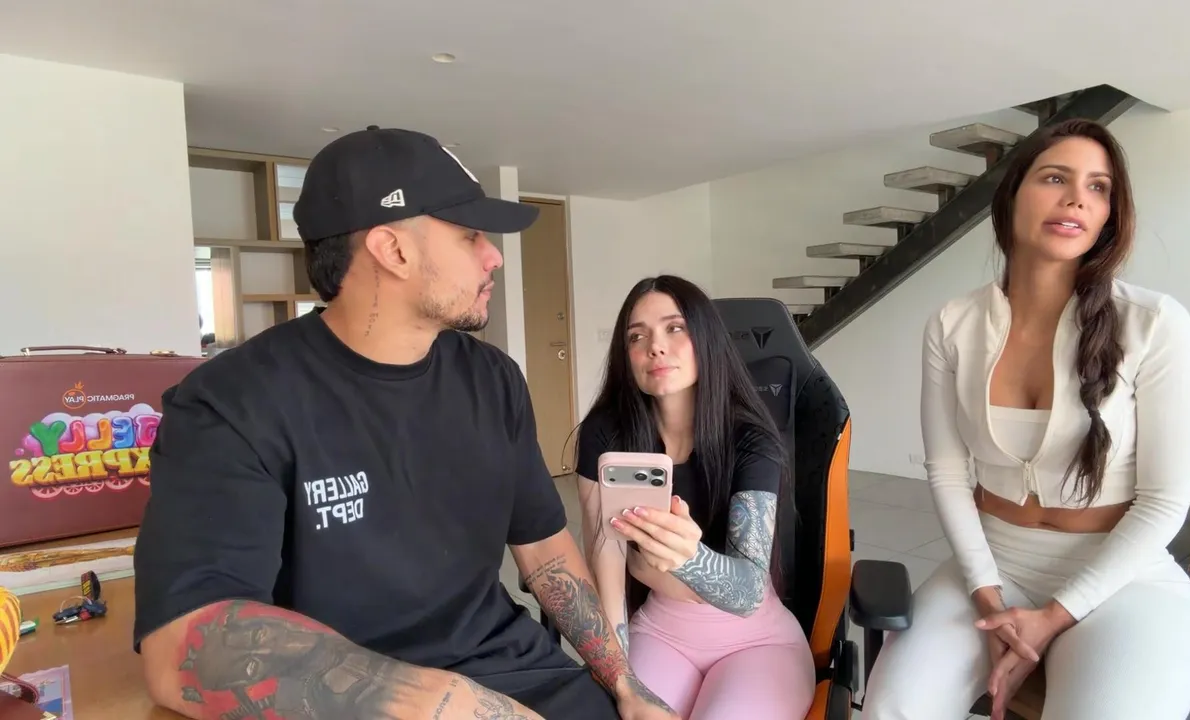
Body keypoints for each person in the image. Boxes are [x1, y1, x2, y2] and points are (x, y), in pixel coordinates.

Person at [132, 126, 677, 720]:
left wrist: (626, 683)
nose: (493, 255)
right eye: (469, 235)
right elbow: (184, 647)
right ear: (392, 250)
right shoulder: (230, 404)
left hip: (515, 671)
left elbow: (545, 549)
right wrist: (446, 705)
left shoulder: (493, 379)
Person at [861, 119, 1190, 719]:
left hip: (1122, 576)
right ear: (1012, 195)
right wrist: (986, 595)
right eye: (1055, 178)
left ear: (1109, 215)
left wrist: (1053, 616)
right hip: (992, 565)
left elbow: (1165, 501)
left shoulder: (1154, 323)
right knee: (892, 709)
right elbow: (948, 472)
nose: (1077, 198)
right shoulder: (952, 324)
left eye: (1098, 187)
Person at [574, 275, 816, 720]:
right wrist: (618, 675)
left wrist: (689, 558)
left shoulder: (751, 439)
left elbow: (747, 592)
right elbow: (604, 557)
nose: (656, 347)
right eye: (637, 336)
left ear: (705, 338)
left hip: (755, 639)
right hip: (660, 630)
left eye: (675, 328)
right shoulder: (605, 434)